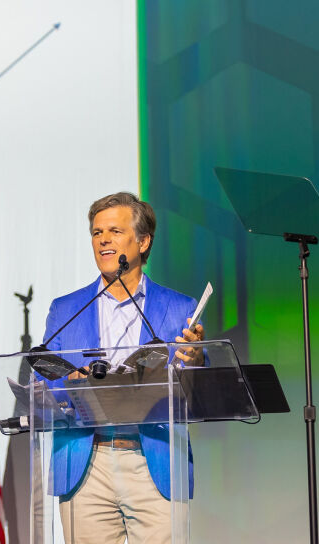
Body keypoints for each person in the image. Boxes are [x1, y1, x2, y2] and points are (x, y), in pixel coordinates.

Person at [41, 192, 203, 544]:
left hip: (154, 459)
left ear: (143, 242)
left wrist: (197, 361)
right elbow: (44, 380)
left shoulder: (180, 308)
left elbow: (198, 391)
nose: (103, 240)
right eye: (97, 233)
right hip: (85, 463)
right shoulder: (65, 309)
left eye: (115, 231)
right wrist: (70, 384)